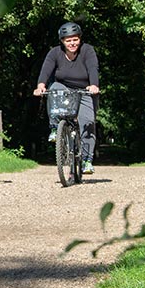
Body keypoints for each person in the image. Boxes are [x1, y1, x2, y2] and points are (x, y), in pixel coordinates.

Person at [32, 21, 100, 174]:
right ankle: (55, 128)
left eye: (75, 39)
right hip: (64, 89)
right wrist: (41, 85)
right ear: (62, 41)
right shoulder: (54, 53)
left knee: (87, 124)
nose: (72, 43)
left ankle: (87, 161)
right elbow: (46, 70)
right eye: (68, 40)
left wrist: (94, 85)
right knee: (54, 88)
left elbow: (92, 68)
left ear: (80, 39)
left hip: (85, 90)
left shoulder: (88, 51)